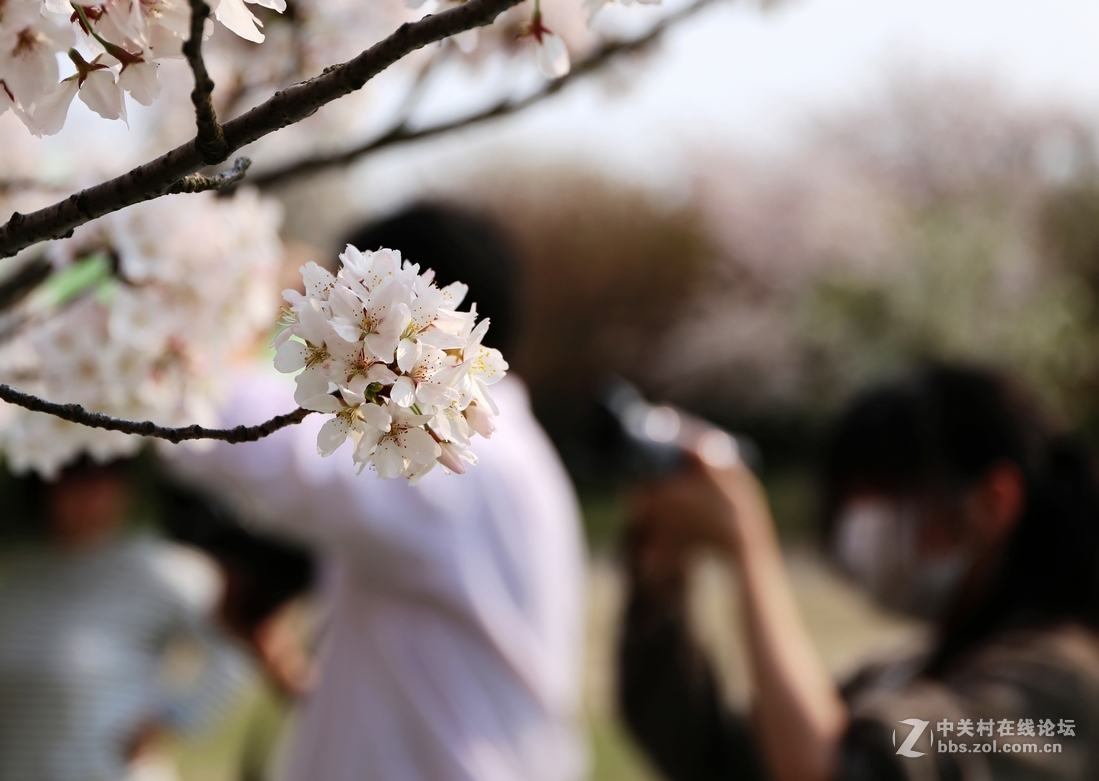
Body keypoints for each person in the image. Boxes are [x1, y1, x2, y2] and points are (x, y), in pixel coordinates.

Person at [168, 203, 589, 781]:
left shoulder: (453, 459)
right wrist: (288, 667)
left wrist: (261, 296)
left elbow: (215, 426)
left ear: (423, 308)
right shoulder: (502, 453)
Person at [619, 364, 1099, 781]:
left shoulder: (1060, 707)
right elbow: (718, 760)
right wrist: (661, 578)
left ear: (993, 501)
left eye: (890, 495)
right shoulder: (908, 674)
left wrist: (751, 549)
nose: (863, 526)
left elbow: (838, 770)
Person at [0, 457, 250, 781]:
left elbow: (236, 639)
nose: (88, 496)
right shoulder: (16, 575)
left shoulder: (162, 569)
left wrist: (172, 718)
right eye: (72, 480)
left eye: (103, 479)